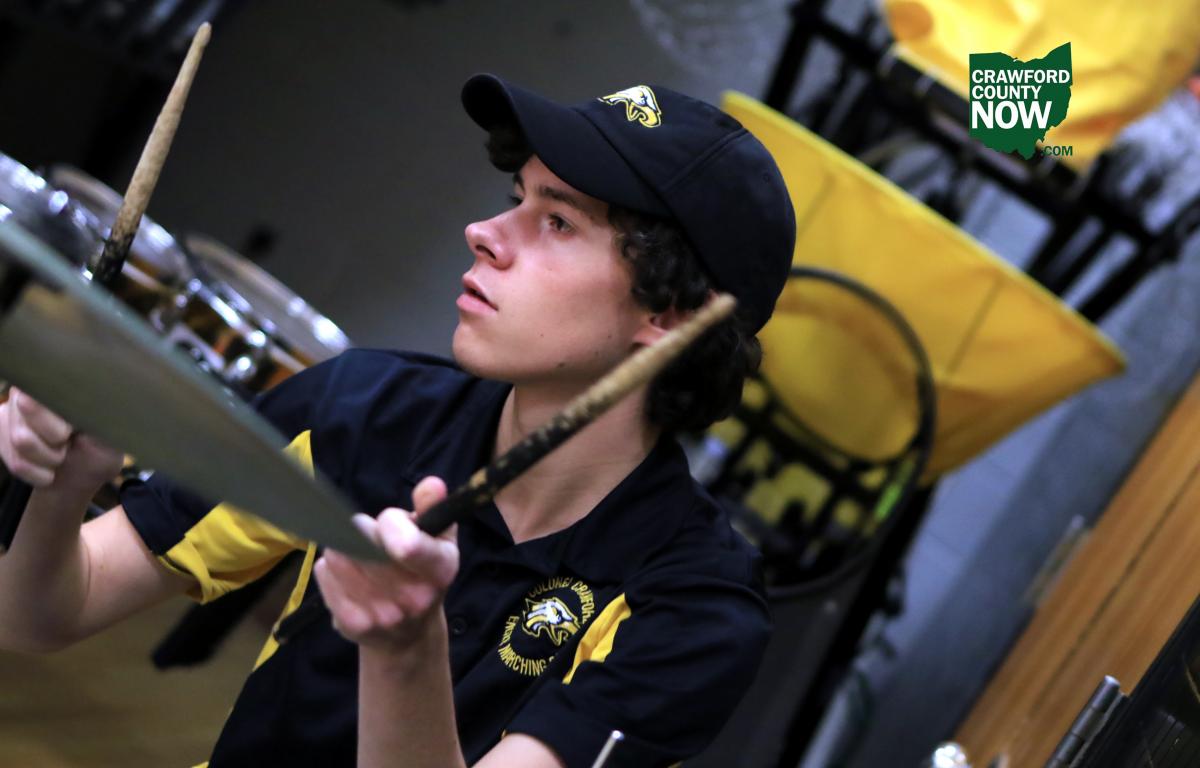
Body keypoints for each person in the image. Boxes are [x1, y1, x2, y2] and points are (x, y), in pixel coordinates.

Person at [0, 73, 796, 767]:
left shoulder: (694, 606)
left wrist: (405, 649)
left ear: (671, 316)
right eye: (515, 199)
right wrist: (63, 487)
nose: (483, 234)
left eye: (558, 222)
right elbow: (39, 617)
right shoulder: (364, 408)